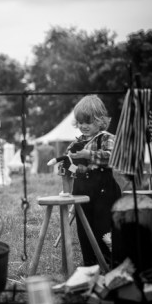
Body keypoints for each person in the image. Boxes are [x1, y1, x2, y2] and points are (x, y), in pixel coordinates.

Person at [64, 94, 122, 266]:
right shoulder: (75, 143)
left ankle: (109, 263)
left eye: (88, 122)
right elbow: (69, 165)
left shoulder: (107, 138)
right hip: (82, 191)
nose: (83, 126)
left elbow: (113, 157)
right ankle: (90, 264)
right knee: (84, 229)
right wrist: (70, 167)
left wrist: (89, 154)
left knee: (103, 228)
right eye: (80, 122)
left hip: (104, 192)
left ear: (99, 121)